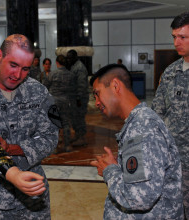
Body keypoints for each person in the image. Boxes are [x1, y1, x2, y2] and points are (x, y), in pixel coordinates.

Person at [0, 34, 60, 219]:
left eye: (25, 68)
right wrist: (13, 173)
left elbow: (51, 136)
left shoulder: (39, 92)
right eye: (13, 65)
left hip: (32, 199)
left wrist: (14, 149)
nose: (18, 75)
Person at [90, 64, 184, 219]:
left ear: (115, 85)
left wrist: (110, 171)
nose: (97, 102)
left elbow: (139, 197)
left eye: (97, 94)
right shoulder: (139, 122)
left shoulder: (142, 128)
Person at [151, 11, 189, 219]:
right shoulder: (171, 72)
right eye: (174, 37)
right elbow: (157, 111)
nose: (176, 42)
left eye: (182, 37)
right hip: (173, 162)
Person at [44, 55, 75, 153]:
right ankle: (67, 145)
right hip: (66, 101)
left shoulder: (52, 74)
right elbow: (73, 89)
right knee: (66, 123)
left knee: (54, 124)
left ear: (57, 62)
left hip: (54, 102)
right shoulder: (71, 75)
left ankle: (55, 148)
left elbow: (45, 87)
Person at [66, 50, 89, 147]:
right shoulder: (74, 66)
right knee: (74, 117)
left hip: (79, 99)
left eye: (70, 57)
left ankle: (82, 138)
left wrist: (79, 98)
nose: (68, 59)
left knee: (79, 117)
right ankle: (77, 135)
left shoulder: (79, 68)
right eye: (67, 57)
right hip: (74, 98)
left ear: (75, 57)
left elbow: (82, 85)